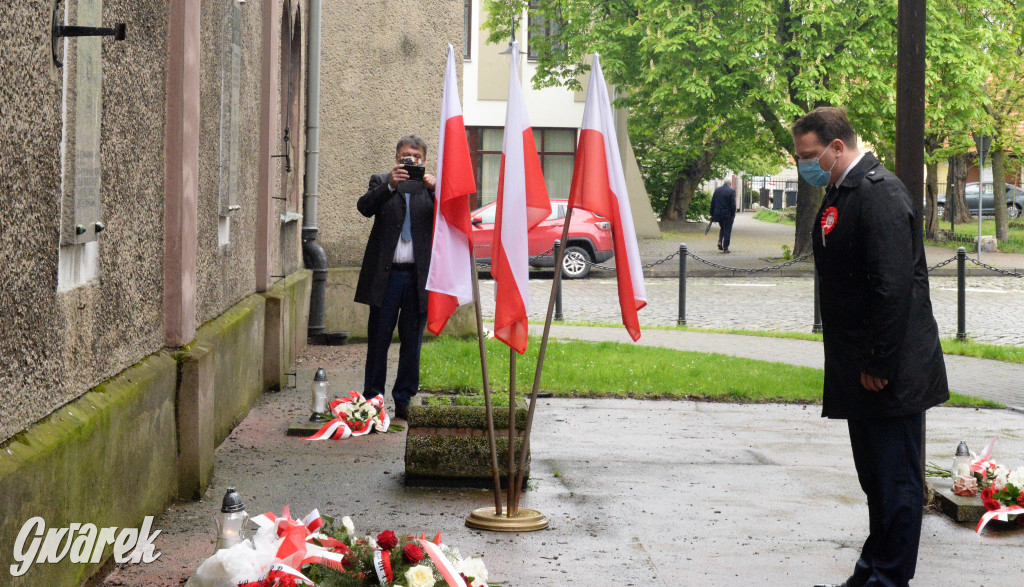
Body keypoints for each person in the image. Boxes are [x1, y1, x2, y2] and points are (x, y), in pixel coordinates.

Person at [792, 107, 948, 587]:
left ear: (838, 147)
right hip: (863, 368)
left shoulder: (880, 194)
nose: (806, 166)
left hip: (890, 372)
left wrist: (878, 362)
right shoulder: (846, 190)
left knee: (898, 486)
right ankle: (870, 574)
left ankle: (888, 579)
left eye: (811, 156)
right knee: (877, 484)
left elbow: (892, 286)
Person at [355, 135, 437, 420]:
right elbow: (364, 207)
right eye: (404, 156)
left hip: (417, 279)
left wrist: (437, 190)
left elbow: (453, 216)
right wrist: (390, 184)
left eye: (415, 157)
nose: (409, 161)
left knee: (412, 342)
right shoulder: (381, 181)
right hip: (386, 278)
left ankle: (404, 399)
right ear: (396, 159)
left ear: (424, 161)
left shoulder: (430, 189)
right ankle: (372, 400)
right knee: (378, 340)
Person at [710, 183, 737, 252]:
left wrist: (712, 213)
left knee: (722, 228)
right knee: (727, 230)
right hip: (727, 214)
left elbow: (713, 202)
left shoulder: (717, 190)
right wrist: (733, 214)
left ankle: (720, 241)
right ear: (730, 184)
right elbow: (733, 204)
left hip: (718, 214)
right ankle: (726, 248)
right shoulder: (731, 191)